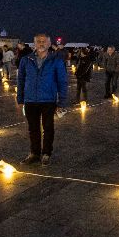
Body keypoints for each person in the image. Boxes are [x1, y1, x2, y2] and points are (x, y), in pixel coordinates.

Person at [17, 34, 69, 166]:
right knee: (33, 128)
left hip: (48, 100)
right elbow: (21, 80)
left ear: (49, 44)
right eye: (38, 41)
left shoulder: (56, 60)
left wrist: (62, 102)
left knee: (48, 127)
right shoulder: (26, 60)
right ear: (34, 44)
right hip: (30, 100)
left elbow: (62, 82)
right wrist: (20, 99)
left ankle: (46, 153)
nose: (41, 44)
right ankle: (34, 153)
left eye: (44, 41)